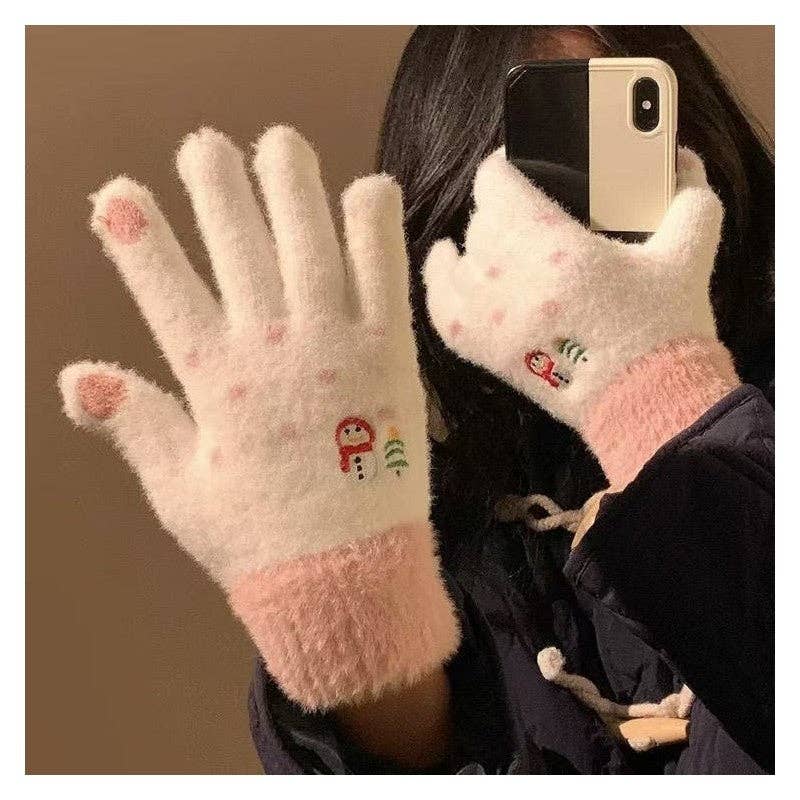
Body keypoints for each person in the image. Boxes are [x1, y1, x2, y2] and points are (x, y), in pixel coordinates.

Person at [58, 26, 774, 774]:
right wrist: (346, 611)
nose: (572, 226)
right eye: (545, 172)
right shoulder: (437, 518)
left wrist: (658, 394)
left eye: (620, 153)